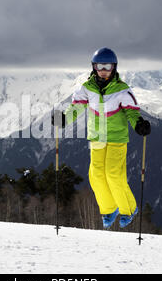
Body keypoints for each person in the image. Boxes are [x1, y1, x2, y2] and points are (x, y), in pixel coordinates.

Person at [51, 47, 151, 229]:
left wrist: (139, 125)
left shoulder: (122, 90)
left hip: (116, 138)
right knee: (96, 175)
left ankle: (129, 208)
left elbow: (132, 112)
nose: (103, 69)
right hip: (97, 138)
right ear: (94, 67)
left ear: (114, 67)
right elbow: (77, 107)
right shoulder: (87, 88)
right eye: (100, 65)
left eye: (108, 66)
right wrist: (64, 118)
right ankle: (109, 209)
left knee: (113, 174)